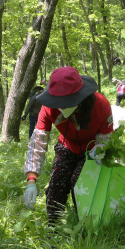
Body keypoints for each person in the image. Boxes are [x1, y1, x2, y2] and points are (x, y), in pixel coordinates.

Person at [23, 67, 113, 225]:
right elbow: (38, 141)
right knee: (56, 185)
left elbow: (106, 137)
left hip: (92, 150)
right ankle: (54, 226)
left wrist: (99, 150)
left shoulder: (100, 104)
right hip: (67, 146)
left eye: (65, 103)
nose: (61, 107)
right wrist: (31, 180)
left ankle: (85, 223)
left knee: (79, 183)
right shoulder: (49, 108)